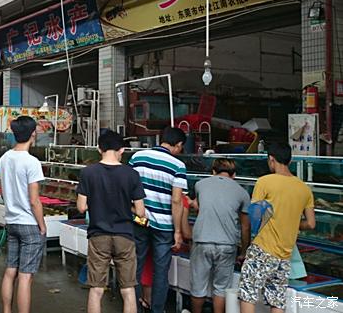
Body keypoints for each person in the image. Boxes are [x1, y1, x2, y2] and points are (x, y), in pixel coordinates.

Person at [239, 143, 316, 313]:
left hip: (263, 248)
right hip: (285, 255)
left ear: (271, 160)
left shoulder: (265, 181)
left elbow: (255, 217)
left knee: (248, 294)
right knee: (277, 300)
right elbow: (311, 224)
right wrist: (291, 222)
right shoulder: (304, 189)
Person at [77, 130, 146, 313]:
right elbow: (141, 212)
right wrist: (126, 206)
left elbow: (81, 207)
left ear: (99, 149)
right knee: (128, 289)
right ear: (122, 149)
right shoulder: (132, 174)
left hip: (98, 235)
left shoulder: (88, 173)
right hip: (125, 235)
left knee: (96, 288)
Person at [128, 126, 187, 313]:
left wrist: (134, 211)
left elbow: (128, 186)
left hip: (139, 220)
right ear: (177, 145)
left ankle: (133, 308)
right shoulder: (178, 165)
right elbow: (177, 200)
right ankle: (157, 310)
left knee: (135, 267)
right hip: (164, 226)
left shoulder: (137, 157)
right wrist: (178, 232)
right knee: (161, 271)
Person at [189, 159, 250, 313]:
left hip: (202, 240)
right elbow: (245, 226)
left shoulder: (200, 184)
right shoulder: (242, 192)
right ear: (234, 175)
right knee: (221, 287)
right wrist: (244, 251)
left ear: (213, 172)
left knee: (198, 285)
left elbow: (197, 205)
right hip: (227, 244)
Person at [0, 116, 46, 313]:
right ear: (33, 133)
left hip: (11, 221)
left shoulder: (4, 158)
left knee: (11, 270)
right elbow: (34, 200)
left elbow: (2, 191)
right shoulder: (32, 162)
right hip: (28, 224)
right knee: (26, 276)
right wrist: (42, 225)